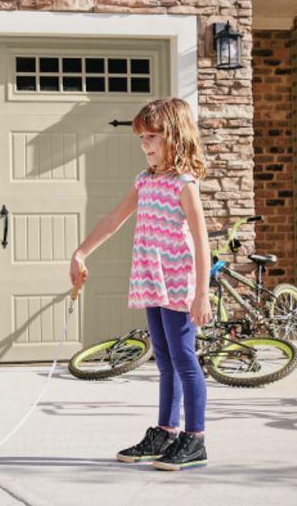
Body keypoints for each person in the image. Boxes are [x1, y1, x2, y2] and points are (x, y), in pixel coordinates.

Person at [69, 97, 212, 471]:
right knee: (164, 360)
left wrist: (202, 294)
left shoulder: (185, 184)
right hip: (152, 279)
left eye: (152, 136)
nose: (145, 143)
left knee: (184, 360)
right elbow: (116, 218)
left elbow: (201, 241)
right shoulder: (144, 181)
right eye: (141, 137)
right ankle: (166, 431)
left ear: (175, 137)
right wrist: (81, 252)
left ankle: (194, 439)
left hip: (179, 281)